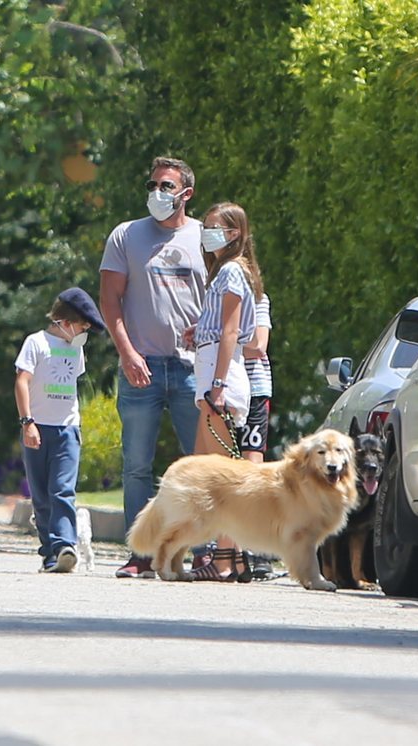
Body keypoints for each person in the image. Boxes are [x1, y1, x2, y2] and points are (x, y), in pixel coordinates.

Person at [99, 156, 207, 579]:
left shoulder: (205, 236)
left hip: (191, 369)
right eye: (153, 185)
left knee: (199, 464)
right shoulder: (126, 235)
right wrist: (127, 354)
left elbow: (226, 295)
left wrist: (207, 328)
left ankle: (202, 553)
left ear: (186, 194)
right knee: (137, 465)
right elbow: (110, 300)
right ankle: (139, 554)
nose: (157, 193)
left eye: (166, 186)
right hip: (141, 365)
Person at [187, 202, 260, 582]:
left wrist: (218, 385)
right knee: (208, 471)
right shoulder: (224, 273)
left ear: (234, 234)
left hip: (222, 381)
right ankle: (231, 555)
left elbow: (231, 331)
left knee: (221, 476)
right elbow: (217, 327)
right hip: (212, 377)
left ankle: (228, 556)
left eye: (214, 227)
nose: (206, 232)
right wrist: (198, 331)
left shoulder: (231, 271)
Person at [14, 287, 106, 573]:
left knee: (62, 490)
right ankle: (50, 552)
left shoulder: (75, 348)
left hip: (67, 429)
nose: (83, 333)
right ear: (65, 323)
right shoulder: (36, 343)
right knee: (41, 497)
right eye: (82, 326)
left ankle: (65, 545)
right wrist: (27, 422)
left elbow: (71, 383)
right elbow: (22, 382)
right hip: (37, 428)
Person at [239, 290, 275, 580]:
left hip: (254, 389)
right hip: (220, 391)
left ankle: (259, 550)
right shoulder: (209, 293)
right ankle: (226, 549)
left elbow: (258, 345)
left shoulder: (257, 298)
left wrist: (221, 340)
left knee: (253, 471)